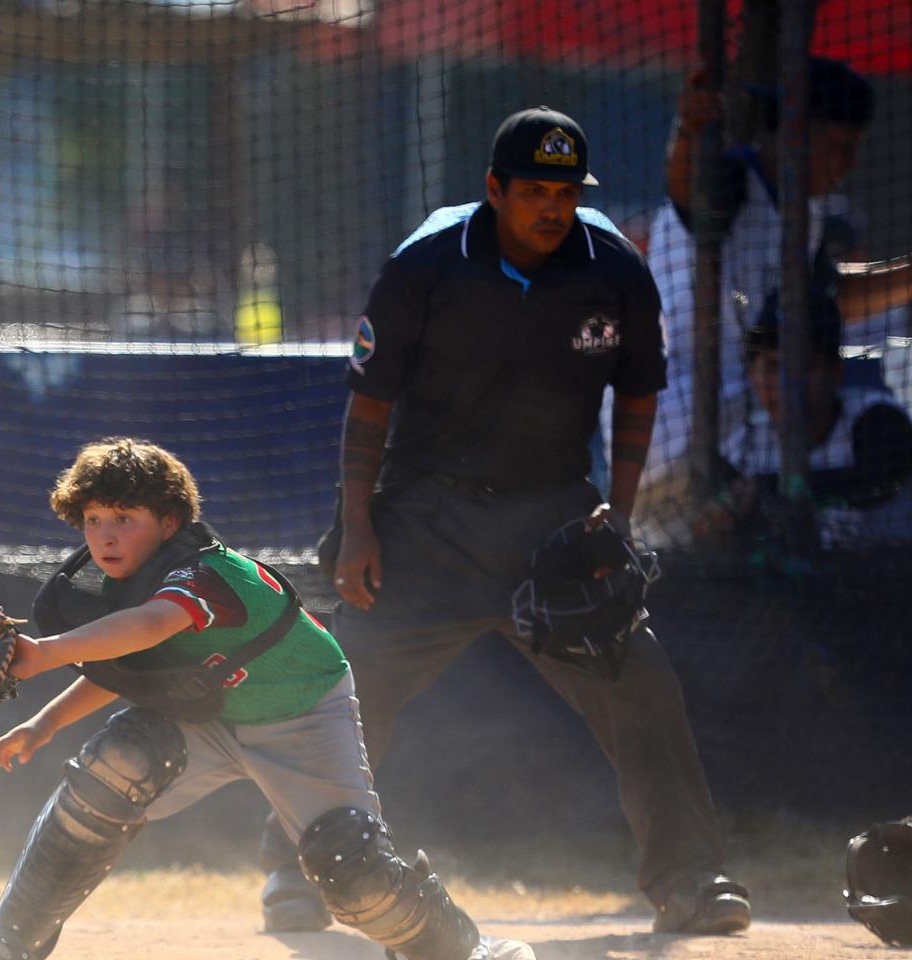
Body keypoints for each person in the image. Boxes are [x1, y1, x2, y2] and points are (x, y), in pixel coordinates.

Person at [256, 106, 752, 938]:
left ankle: (692, 877)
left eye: (565, 191)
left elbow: (639, 395)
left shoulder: (615, 269)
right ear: (494, 189)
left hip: (552, 522)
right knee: (346, 688)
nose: (552, 207)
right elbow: (369, 407)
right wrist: (359, 527)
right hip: (427, 519)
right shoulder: (426, 263)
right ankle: (295, 870)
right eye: (534, 190)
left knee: (641, 684)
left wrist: (616, 521)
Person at [0, 436, 534, 960]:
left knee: (355, 874)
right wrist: (43, 724)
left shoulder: (209, 573)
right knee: (114, 764)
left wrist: (44, 652)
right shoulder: (128, 578)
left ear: (170, 522)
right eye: (93, 519)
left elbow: (149, 627)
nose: (105, 536)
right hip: (208, 714)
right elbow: (126, 665)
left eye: (125, 517)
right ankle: (14, 937)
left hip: (302, 713)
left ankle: (468, 951)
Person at [641, 59, 912, 546]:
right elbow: (688, 185)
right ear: (795, 133)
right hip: (679, 424)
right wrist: (688, 130)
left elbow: (833, 303)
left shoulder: (805, 212)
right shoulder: (735, 181)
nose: (846, 164)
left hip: (743, 426)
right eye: (838, 147)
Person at [695, 290, 912, 549]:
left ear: (835, 373)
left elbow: (875, 483)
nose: (787, 385)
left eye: (803, 366)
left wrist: (763, 490)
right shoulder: (746, 443)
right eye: (773, 367)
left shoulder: (877, 418)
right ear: (752, 374)